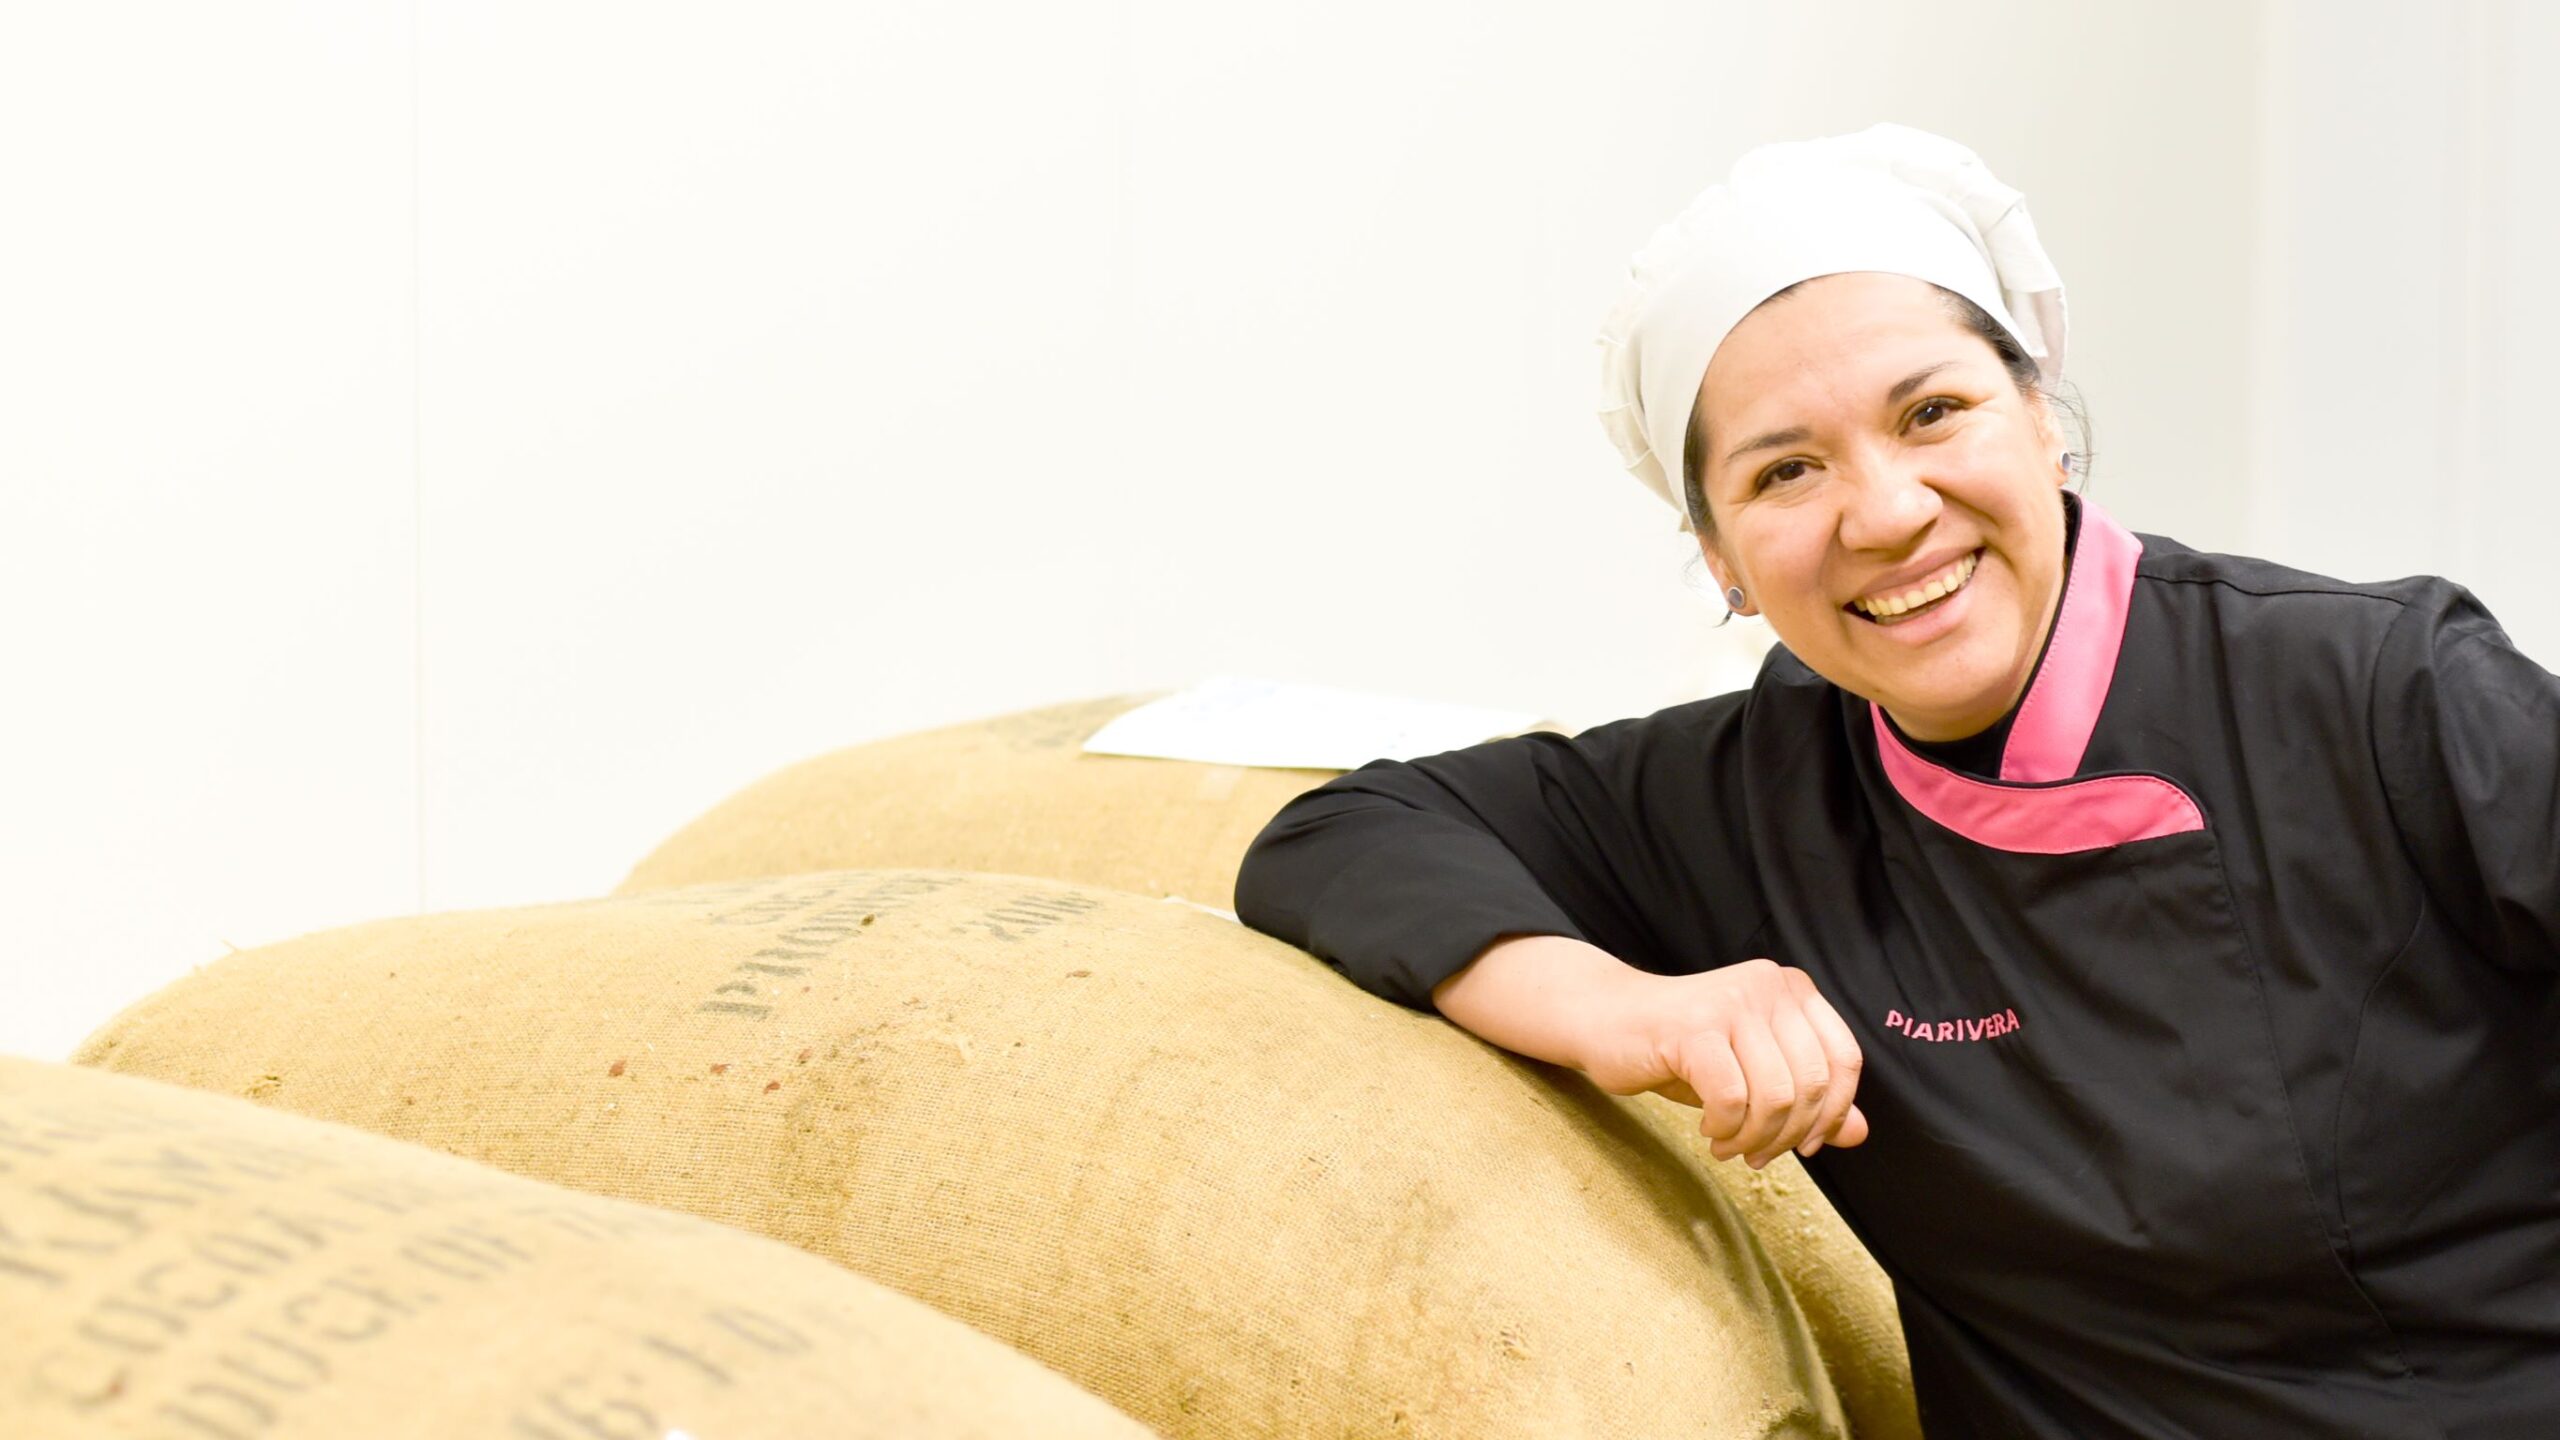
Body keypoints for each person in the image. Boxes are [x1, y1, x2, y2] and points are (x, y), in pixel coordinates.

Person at [1232, 123, 2560, 1437]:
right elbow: (1347, 833)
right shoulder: (1749, 796)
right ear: (1723, 563)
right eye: (1786, 470)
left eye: (1933, 413)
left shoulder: (2384, 691)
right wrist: (1631, 1012)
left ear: (2040, 422)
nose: (1885, 513)